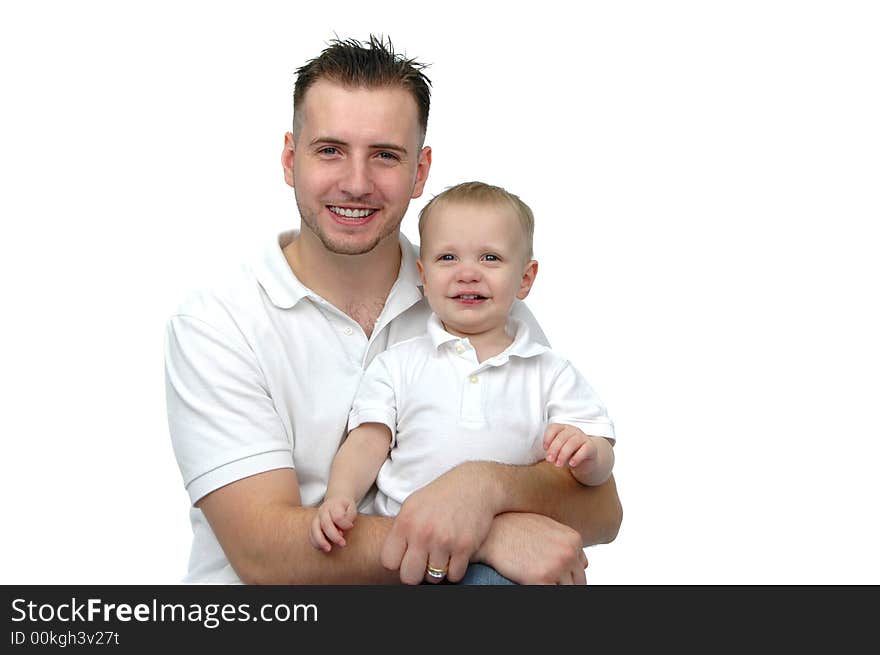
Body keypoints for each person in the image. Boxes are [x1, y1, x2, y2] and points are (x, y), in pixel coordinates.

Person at [165, 35, 622, 585]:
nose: (356, 183)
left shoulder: (473, 294)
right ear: (290, 159)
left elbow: (602, 511)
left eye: (385, 155)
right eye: (330, 150)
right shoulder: (218, 323)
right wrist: (486, 534)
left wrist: (485, 487)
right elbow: (265, 555)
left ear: (421, 172)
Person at [310, 182, 617, 584]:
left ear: (525, 279)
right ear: (424, 275)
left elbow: (600, 461)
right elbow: (367, 441)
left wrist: (590, 455)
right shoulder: (398, 364)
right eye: (447, 257)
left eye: (490, 258)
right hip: (409, 553)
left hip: (510, 561)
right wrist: (340, 496)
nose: (467, 273)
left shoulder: (549, 371)